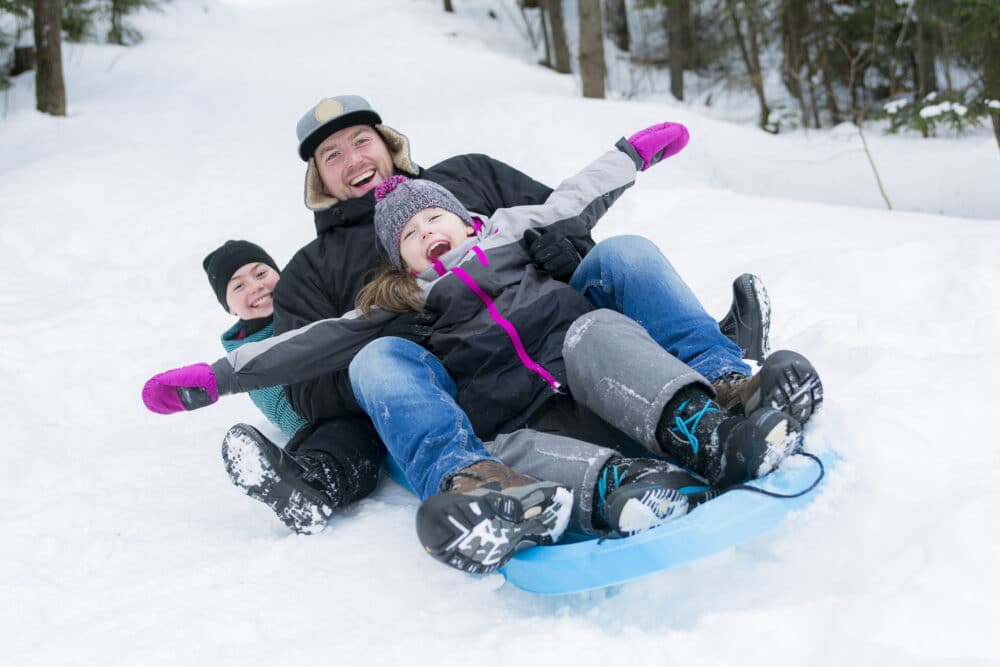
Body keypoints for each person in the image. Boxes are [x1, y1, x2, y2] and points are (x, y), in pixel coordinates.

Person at [142, 121, 821, 573]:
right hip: (501, 405)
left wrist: (632, 154)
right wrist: (215, 376)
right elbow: (306, 350)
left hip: (592, 360)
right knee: (448, 405)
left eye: (358, 141)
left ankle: (718, 402)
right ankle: (595, 490)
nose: (427, 231)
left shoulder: (494, 212)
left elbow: (574, 200)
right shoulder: (356, 286)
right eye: (331, 154)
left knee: (611, 288)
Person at [200, 240, 383, 534]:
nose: (256, 286)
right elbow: (294, 411)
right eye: (238, 286)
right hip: (330, 419)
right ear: (229, 309)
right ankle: (311, 484)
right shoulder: (243, 356)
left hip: (365, 383)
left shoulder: (310, 305)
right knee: (346, 438)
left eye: (261, 274)